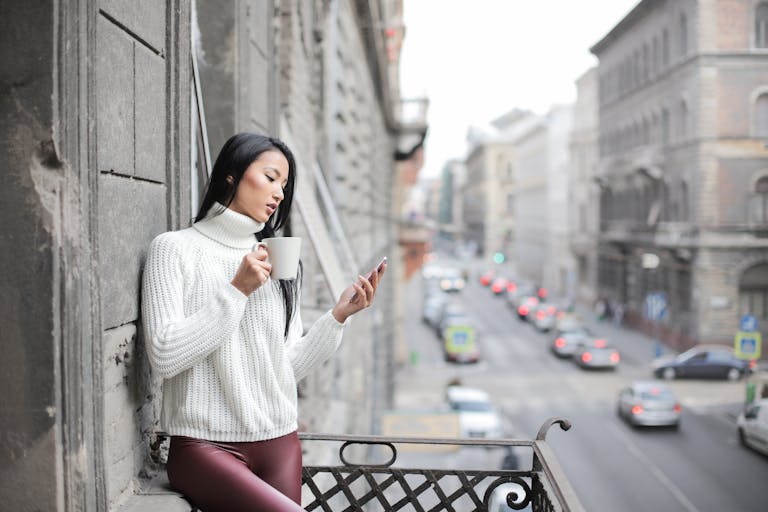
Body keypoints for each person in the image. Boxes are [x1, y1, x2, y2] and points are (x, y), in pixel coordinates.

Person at [141, 132, 386, 512]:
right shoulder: (174, 250)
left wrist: (337, 317)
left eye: (285, 185)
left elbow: (284, 366)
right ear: (231, 175)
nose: (279, 194)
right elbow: (165, 355)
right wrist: (236, 291)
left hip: (279, 441)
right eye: (271, 177)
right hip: (204, 447)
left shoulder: (279, 260)